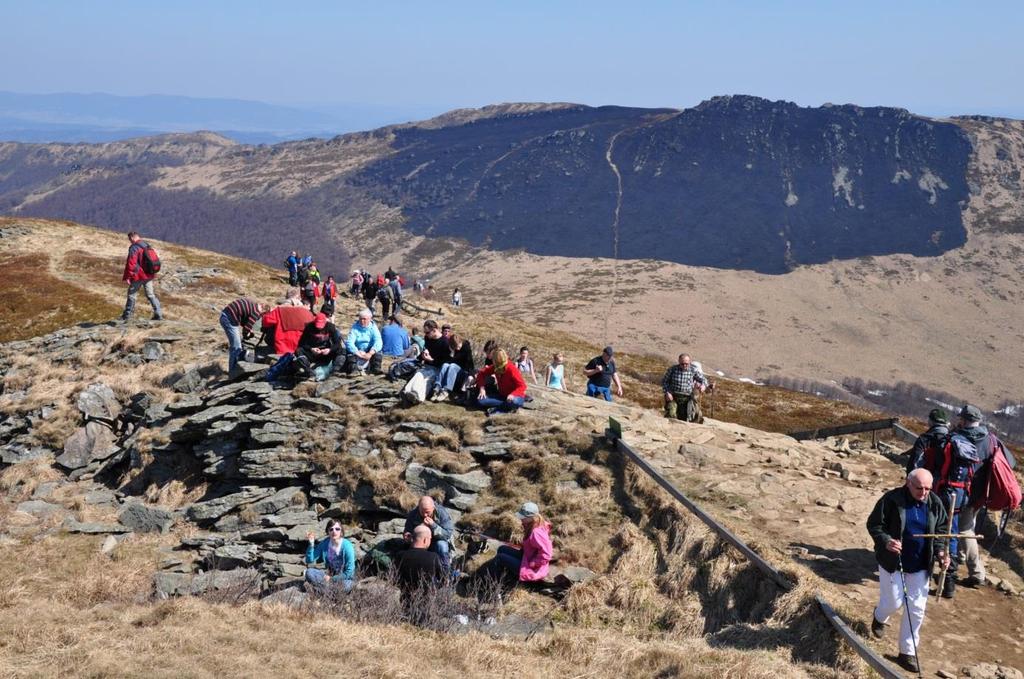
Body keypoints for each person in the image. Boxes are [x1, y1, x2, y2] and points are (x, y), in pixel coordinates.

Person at [866, 469, 950, 674]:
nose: (924, 492)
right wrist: (886, 541)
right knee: (893, 602)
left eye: (928, 488)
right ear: (908, 483)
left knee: (916, 609)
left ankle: (907, 653)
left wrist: (940, 552)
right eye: (919, 488)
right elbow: (875, 524)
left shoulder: (935, 503)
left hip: (921, 564)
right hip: (892, 562)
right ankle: (879, 616)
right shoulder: (892, 499)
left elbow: (940, 531)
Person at [950, 404, 1011, 589]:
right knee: (968, 525)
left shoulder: (957, 438)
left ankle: (976, 573)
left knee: (964, 530)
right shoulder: (992, 439)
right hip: (980, 494)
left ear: (964, 420)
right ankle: (960, 556)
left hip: (959, 491)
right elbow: (1010, 462)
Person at [478, 501, 553, 589]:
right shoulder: (534, 524)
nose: (521, 519)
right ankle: (504, 575)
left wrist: (534, 563)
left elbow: (547, 554)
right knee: (502, 549)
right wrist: (524, 545)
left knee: (500, 558)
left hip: (532, 568)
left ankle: (489, 584)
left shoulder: (536, 532)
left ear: (531, 517)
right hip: (527, 558)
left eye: (523, 517)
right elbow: (534, 545)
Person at [403, 495, 454, 572]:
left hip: (437, 540)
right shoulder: (413, 514)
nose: (425, 515)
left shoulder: (441, 513)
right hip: (420, 541)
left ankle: (446, 572)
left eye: (427, 512)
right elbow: (407, 530)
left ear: (433, 508)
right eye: (422, 511)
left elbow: (447, 534)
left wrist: (433, 525)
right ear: (418, 507)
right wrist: (407, 535)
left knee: (441, 545)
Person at [120, 231, 163, 322]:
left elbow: (131, 263)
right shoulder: (146, 245)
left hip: (138, 276)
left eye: (129, 239)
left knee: (132, 294)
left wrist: (129, 276)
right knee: (150, 294)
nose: (130, 241)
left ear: (132, 237)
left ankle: (127, 316)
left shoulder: (134, 247)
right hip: (149, 274)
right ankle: (158, 314)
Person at [305, 519, 356, 592]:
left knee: (348, 585)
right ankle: (329, 591)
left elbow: (350, 572)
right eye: (331, 529)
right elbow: (310, 560)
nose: (334, 531)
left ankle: (322, 591)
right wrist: (311, 544)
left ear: (341, 531)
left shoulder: (347, 546)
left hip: (345, 579)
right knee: (309, 572)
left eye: (337, 529)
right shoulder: (325, 544)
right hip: (329, 578)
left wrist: (332, 579)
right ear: (328, 532)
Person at [474, 349, 528, 416]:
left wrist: (513, 394)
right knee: (481, 401)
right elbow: (481, 373)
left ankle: (498, 410)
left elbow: (522, 386)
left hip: (516, 397)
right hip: (502, 396)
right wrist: (482, 388)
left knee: (514, 402)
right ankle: (505, 407)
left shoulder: (511, 368)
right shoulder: (495, 367)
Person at [220, 298, 266, 373]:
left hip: (226, 315)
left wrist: (248, 329)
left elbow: (242, 315)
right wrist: (247, 335)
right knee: (236, 347)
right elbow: (245, 330)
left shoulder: (252, 304)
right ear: (263, 312)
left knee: (236, 346)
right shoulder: (256, 312)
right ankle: (232, 373)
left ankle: (234, 368)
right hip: (229, 320)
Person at [295, 312, 343, 381]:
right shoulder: (309, 327)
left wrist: (329, 349)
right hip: (313, 353)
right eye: (317, 326)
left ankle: (335, 371)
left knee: (342, 350)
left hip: (326, 353)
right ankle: (309, 372)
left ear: (325, 322)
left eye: (321, 326)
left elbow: (338, 343)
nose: (319, 328)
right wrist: (311, 349)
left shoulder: (330, 327)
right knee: (298, 350)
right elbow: (301, 343)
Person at [661, 353, 707, 422]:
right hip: (673, 396)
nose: (684, 365)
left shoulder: (693, 370)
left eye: (686, 364)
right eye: (682, 364)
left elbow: (704, 380)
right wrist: (667, 392)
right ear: (679, 362)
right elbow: (664, 382)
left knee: (696, 415)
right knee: (671, 414)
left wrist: (703, 385)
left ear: (689, 362)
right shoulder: (672, 370)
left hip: (688, 397)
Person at [905, 408, 951, 474]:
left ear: (931, 421)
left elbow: (915, 462)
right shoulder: (951, 439)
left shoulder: (925, 438)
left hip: (924, 479)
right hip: (943, 481)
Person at [432, 333, 475, 402]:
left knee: (452, 366)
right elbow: (445, 360)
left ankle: (446, 390)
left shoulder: (466, 347)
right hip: (451, 372)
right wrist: (451, 353)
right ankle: (437, 388)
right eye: (456, 347)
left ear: (461, 342)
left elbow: (470, 363)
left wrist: (471, 374)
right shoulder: (450, 348)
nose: (458, 348)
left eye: (459, 346)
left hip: (462, 372)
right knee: (445, 365)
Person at [343, 308, 383, 375]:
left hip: (369, 350)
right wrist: (357, 352)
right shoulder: (355, 328)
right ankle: (354, 370)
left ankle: (376, 369)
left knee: (378, 351)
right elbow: (349, 342)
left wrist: (370, 353)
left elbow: (378, 341)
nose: (362, 321)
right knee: (348, 351)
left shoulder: (373, 328)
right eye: (360, 319)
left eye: (364, 319)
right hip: (358, 350)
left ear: (370, 319)